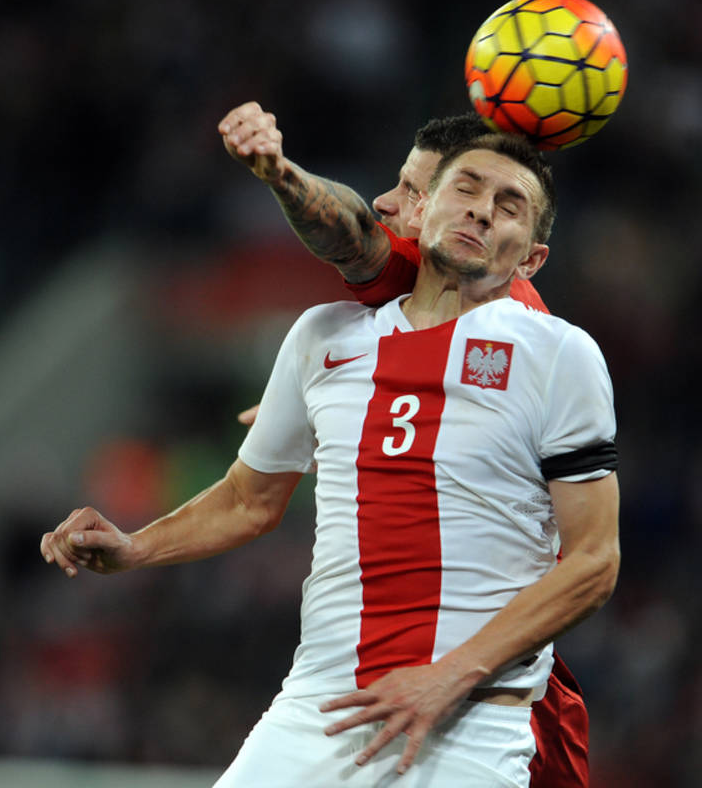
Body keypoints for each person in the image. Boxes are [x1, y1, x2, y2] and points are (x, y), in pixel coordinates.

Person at [42, 132, 620, 786]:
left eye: (508, 205)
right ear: (427, 207)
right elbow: (247, 500)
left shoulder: (557, 356)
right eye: (464, 189)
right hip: (317, 708)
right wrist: (135, 548)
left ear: (534, 259)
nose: (481, 210)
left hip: (468, 719)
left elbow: (595, 562)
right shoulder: (323, 337)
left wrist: (446, 677)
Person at [220, 101, 592, 786]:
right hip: (367, 686)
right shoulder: (401, 323)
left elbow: (354, 236)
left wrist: (280, 173)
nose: (388, 202)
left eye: (412, 189)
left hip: (491, 685)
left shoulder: (498, 312)